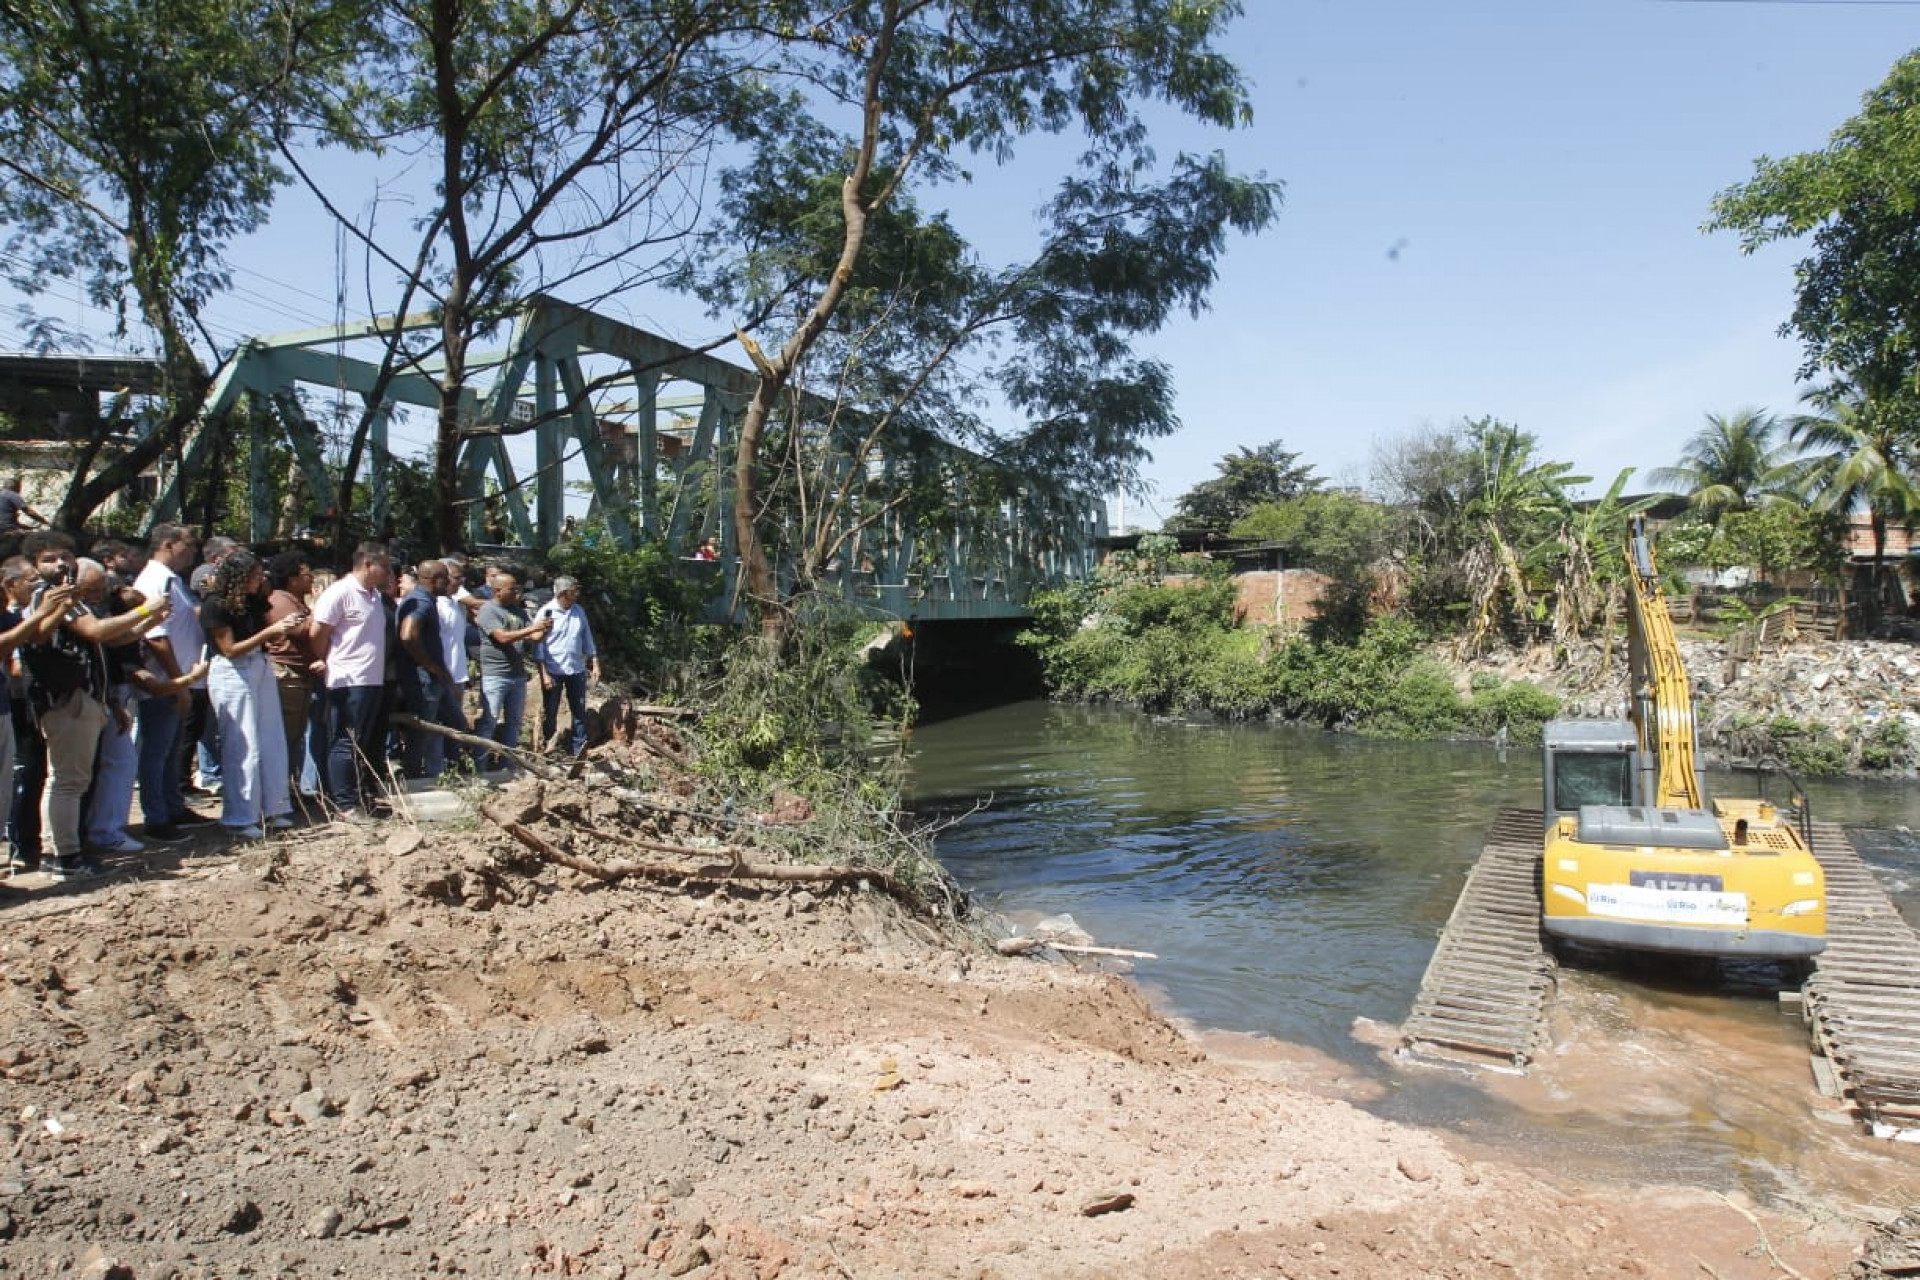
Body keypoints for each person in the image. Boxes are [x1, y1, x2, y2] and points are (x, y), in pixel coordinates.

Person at [20, 532, 167, 880]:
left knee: (70, 780)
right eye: (49, 559)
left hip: (84, 698)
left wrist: (147, 621)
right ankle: (64, 857)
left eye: (65, 556)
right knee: (67, 781)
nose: (60, 564)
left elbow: (109, 637)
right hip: (67, 699)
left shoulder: (70, 598)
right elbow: (98, 631)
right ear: (35, 565)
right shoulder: (50, 596)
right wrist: (146, 609)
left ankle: (63, 852)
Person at [203, 550, 303, 838]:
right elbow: (230, 649)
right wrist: (271, 632)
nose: (260, 581)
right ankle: (239, 816)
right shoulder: (215, 604)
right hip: (232, 671)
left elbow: (264, 611)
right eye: (255, 576)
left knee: (271, 738)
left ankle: (274, 807)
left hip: (258, 665)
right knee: (243, 743)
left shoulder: (251, 601)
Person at [132, 524, 209, 843]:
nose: (194, 552)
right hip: (164, 681)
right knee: (156, 751)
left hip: (180, 680)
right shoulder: (154, 581)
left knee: (171, 748)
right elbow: (155, 636)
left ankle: (173, 808)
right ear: (168, 544)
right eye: (189, 545)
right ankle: (157, 817)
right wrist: (178, 682)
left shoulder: (172, 580)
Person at [309, 542, 390, 822]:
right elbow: (318, 631)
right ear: (368, 564)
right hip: (347, 679)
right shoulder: (339, 593)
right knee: (346, 742)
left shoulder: (374, 596)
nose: (389, 572)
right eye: (385, 566)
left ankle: (357, 797)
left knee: (361, 742)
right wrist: (326, 659)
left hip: (371, 679)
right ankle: (344, 804)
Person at [264, 552, 324, 805]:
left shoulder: (296, 600)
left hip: (301, 675)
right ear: (292, 579)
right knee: (286, 736)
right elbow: (300, 631)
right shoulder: (280, 601)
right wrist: (323, 608)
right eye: (306, 574)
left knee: (297, 736)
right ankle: (278, 794)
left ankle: (291, 788)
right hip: (286, 675)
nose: (311, 578)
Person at [396, 560, 464, 778]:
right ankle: (414, 781)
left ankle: (451, 772)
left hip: (435, 679)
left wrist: (445, 676)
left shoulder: (427, 600)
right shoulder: (420, 602)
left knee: (456, 723)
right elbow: (408, 635)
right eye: (447, 578)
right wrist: (429, 665)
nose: (452, 583)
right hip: (422, 681)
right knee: (421, 734)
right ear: (436, 580)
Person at [475, 570, 549, 767]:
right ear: (498, 591)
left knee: (514, 723)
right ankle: (479, 766)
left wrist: (544, 631)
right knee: (489, 722)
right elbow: (502, 637)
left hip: (517, 676)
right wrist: (533, 629)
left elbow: (533, 638)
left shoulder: (517, 611)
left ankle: (508, 765)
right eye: (512, 588)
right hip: (495, 676)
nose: (517, 592)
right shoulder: (488, 611)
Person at [535, 575, 598, 757]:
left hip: (575, 669)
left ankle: (579, 749)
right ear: (563, 593)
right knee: (551, 709)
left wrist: (594, 661)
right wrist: (544, 674)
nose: (577, 594)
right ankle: (549, 746)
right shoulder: (546, 612)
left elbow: (587, 637)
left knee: (579, 710)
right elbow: (538, 645)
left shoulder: (579, 611)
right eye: (574, 591)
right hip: (553, 671)